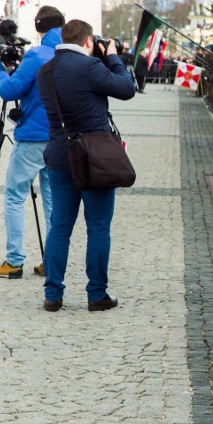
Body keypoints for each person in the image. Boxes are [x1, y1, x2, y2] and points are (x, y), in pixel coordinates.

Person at [36, 19, 136, 312]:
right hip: (94, 158)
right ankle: (96, 294)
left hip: (59, 155)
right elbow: (127, 88)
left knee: (60, 226)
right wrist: (113, 56)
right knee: (98, 227)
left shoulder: (46, 71)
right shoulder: (91, 68)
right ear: (89, 41)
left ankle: (53, 294)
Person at [0, 6, 64, 279]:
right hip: (60, 135)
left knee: (14, 195)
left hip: (33, 135)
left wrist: (1, 70)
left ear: (39, 28)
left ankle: (14, 260)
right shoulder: (70, 53)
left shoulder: (37, 54)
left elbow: (10, 90)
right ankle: (52, 260)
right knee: (53, 201)